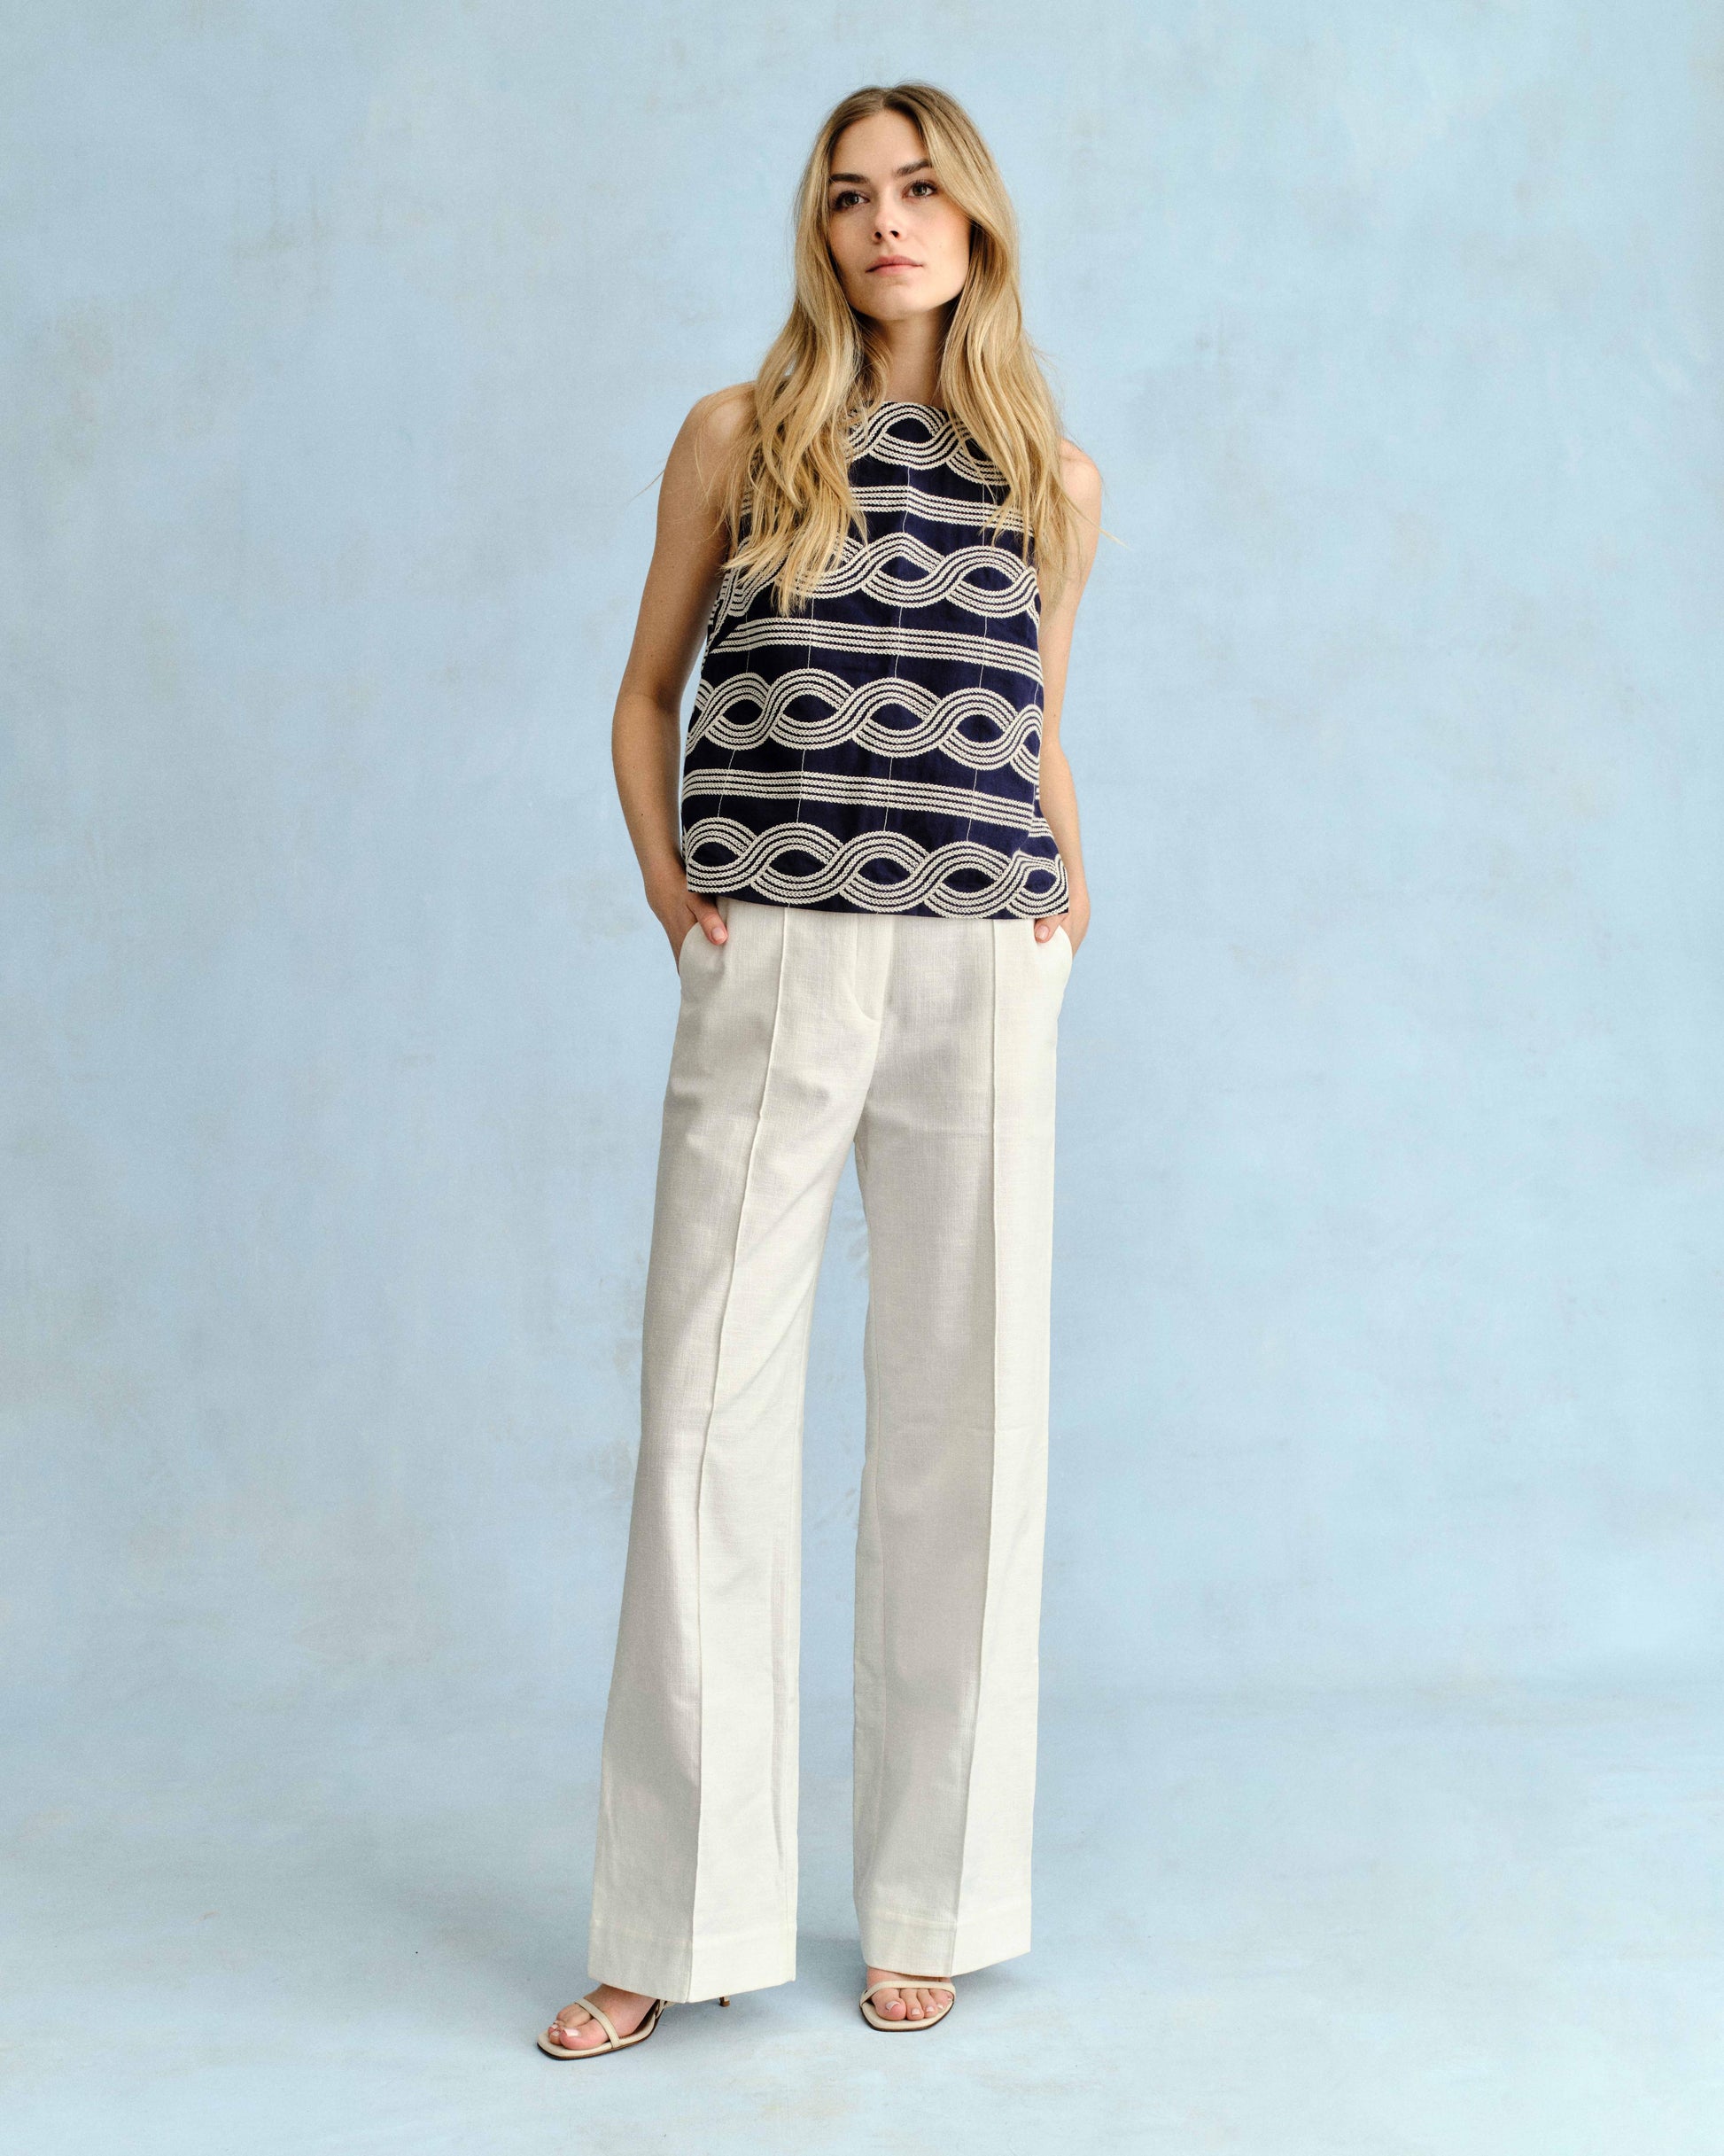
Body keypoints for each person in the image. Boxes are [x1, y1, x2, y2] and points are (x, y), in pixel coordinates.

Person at [540, 79, 1102, 2059]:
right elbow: (645, 692)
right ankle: (670, 1915)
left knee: (969, 1422)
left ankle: (934, 1896)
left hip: (980, 962)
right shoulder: (742, 434)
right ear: (820, 228)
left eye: (919, 190)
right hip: (772, 952)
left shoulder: (1050, 477)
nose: (885, 223)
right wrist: (675, 898)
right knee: (705, 1418)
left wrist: (1066, 908)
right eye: (851, 195)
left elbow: (1031, 722)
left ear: (976, 222)